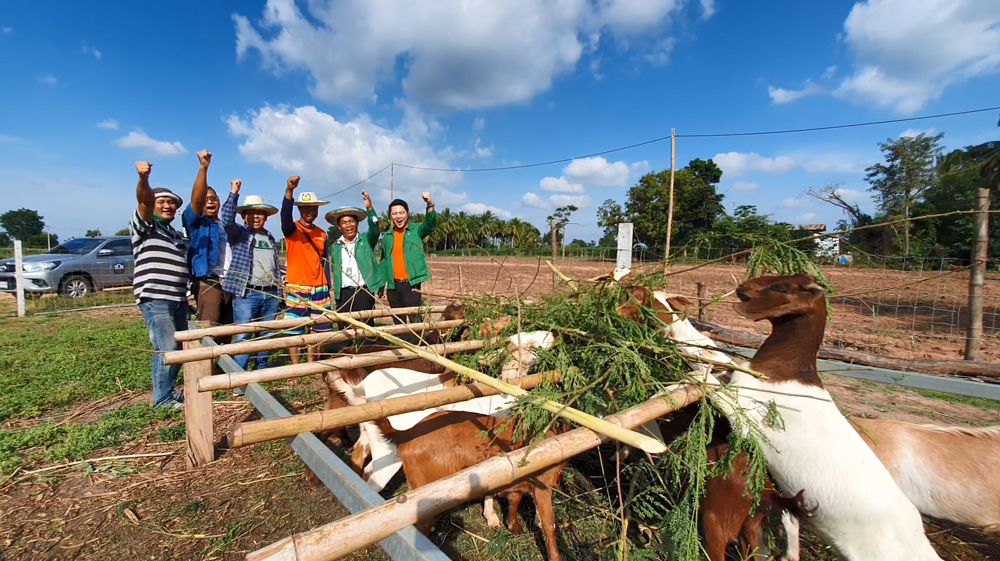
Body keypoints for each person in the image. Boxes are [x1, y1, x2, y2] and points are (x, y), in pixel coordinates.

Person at [130, 150, 211, 409]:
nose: (167, 206)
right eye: (161, 201)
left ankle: (169, 392)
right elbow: (143, 202)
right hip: (156, 297)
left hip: (177, 298)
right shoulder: (145, 226)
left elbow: (196, 204)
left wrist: (203, 168)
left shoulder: (175, 232)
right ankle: (162, 400)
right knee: (166, 347)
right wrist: (144, 180)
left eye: (172, 203)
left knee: (179, 348)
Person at [221, 179, 282, 371]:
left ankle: (261, 369)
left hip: (270, 293)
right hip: (247, 293)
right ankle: (240, 374)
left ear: (265, 217)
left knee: (266, 334)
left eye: (260, 213)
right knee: (244, 335)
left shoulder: (270, 237)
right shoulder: (239, 233)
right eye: (251, 213)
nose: (256, 217)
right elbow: (226, 220)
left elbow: (274, 266)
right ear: (244, 216)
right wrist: (233, 193)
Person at [281, 176, 331, 364]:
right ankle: (296, 366)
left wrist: (328, 284)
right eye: (305, 208)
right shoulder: (291, 229)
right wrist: (289, 191)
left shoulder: (322, 233)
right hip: (297, 286)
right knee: (295, 326)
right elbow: (284, 215)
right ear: (300, 209)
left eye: (313, 208)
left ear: (317, 210)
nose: (310, 211)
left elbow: (325, 261)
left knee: (317, 327)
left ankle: (311, 364)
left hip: (319, 287)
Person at [182, 172, 231, 336]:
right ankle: (206, 362)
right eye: (206, 198)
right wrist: (204, 167)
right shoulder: (196, 223)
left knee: (227, 331)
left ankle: (221, 362)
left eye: (214, 198)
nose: (210, 201)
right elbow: (196, 200)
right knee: (209, 331)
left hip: (231, 283)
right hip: (209, 281)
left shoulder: (225, 225)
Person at [325, 189, 385, 324]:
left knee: (366, 328)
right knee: (344, 329)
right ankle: (346, 346)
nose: (348, 225)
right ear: (339, 227)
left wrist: (370, 208)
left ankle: (366, 346)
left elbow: (375, 229)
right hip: (343, 293)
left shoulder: (366, 241)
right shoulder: (336, 246)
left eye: (351, 221)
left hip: (363, 291)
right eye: (344, 223)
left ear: (357, 224)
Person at [379, 192, 436, 323]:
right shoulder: (388, 236)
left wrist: (430, 205)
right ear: (391, 216)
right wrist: (382, 285)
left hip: (411, 284)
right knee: (398, 320)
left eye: (401, 213)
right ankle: (402, 342)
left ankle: (418, 343)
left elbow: (430, 225)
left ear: (407, 213)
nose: (398, 217)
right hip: (393, 286)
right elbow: (384, 261)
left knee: (415, 318)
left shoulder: (416, 230)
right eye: (394, 214)